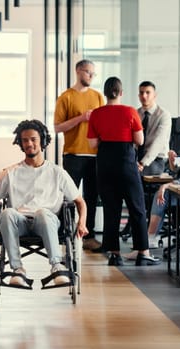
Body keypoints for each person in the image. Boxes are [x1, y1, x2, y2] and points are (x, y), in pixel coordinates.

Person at [0, 119, 88, 288]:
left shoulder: (57, 173)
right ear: (20, 144)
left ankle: (57, 266)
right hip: (19, 223)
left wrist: (82, 223)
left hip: (47, 222)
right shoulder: (10, 173)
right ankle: (18, 270)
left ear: (42, 141)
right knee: (7, 213)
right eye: (25, 140)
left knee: (42, 213)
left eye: (33, 139)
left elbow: (80, 202)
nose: (29, 143)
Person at [87, 77, 161, 267]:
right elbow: (140, 140)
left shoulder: (96, 114)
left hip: (104, 163)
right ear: (121, 93)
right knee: (137, 207)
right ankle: (143, 252)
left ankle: (114, 254)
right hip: (126, 162)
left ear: (105, 93)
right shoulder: (130, 112)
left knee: (112, 209)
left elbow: (93, 143)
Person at [125, 119, 180, 260]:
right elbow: (177, 174)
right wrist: (172, 163)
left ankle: (147, 243)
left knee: (162, 196)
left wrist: (165, 186)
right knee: (161, 195)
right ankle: (147, 242)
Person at [54, 59, 104, 252]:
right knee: (69, 196)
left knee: (91, 196)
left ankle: (88, 236)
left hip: (94, 155)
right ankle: (65, 233)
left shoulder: (98, 96)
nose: (91, 76)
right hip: (73, 154)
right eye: (87, 72)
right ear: (78, 71)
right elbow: (58, 127)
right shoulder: (66, 97)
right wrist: (81, 118)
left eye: (93, 73)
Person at [121, 81, 172, 238]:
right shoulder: (135, 113)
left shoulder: (163, 115)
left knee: (138, 182)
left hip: (155, 160)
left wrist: (143, 163)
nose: (144, 95)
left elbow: (159, 142)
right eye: (141, 92)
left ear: (154, 95)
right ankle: (134, 220)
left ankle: (140, 224)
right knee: (125, 180)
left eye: (147, 92)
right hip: (137, 159)